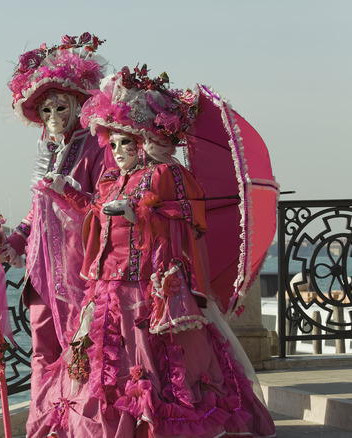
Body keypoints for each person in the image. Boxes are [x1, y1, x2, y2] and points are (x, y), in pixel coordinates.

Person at [26, 66, 276, 437]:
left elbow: (186, 216)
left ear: (144, 142)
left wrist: (141, 211)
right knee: (105, 362)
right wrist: (67, 190)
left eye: (126, 143)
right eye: (113, 144)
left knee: (158, 365)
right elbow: (96, 213)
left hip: (148, 285)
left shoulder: (166, 174)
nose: (118, 151)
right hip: (109, 285)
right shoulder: (113, 180)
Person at [0, 33, 111, 413]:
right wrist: (12, 241)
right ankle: (43, 421)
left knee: (83, 347)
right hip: (41, 268)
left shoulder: (99, 148)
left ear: (78, 105)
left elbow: (105, 206)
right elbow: (37, 210)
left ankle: (80, 421)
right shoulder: (48, 152)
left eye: (59, 107)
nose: (52, 118)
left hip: (82, 269)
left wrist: (69, 193)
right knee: (42, 348)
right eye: (44, 111)